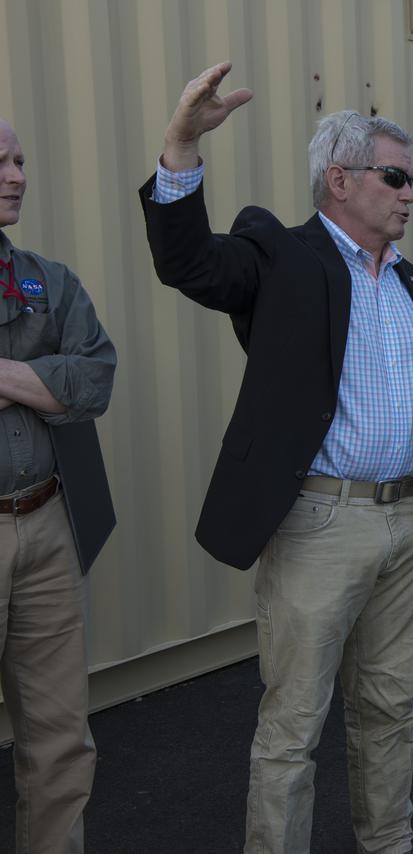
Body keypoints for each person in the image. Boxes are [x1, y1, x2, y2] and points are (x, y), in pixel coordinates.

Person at [137, 63, 413, 851]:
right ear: (340, 179)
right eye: (394, 176)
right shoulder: (278, 254)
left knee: (391, 712)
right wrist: (180, 148)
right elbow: (190, 263)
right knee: (294, 722)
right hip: (320, 523)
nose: (409, 192)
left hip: (410, 520)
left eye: (411, 179)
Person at [0, 117, 117, 854]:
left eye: (18, 160)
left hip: (45, 524)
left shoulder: (48, 279)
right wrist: (45, 381)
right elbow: (65, 383)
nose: (15, 175)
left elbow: (96, 377)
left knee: (59, 739)